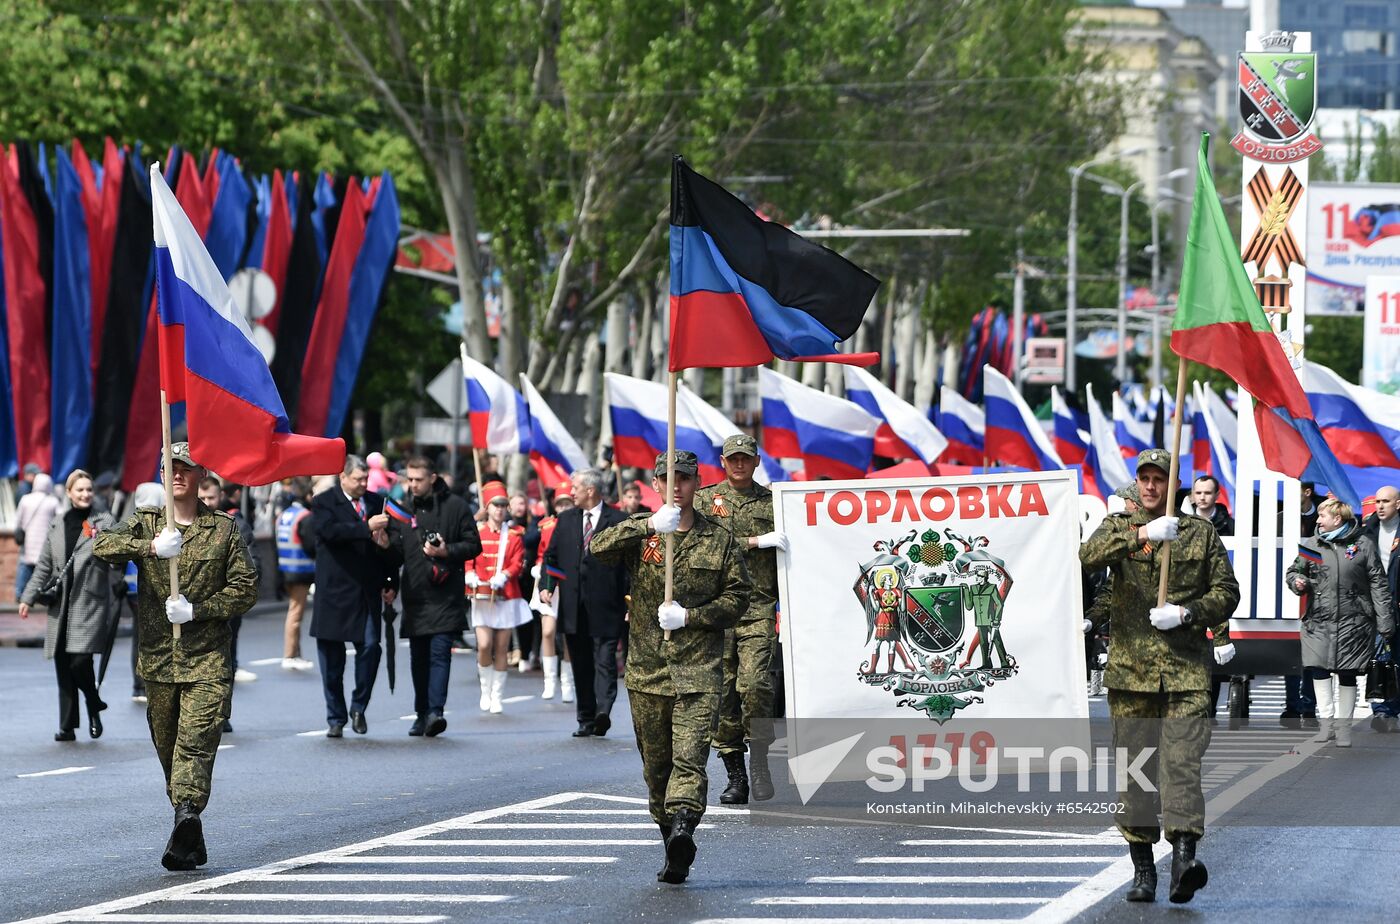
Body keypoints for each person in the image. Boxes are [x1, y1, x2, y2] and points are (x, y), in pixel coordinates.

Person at [1080, 448, 1240, 905]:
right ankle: (1144, 868)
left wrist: (1189, 612)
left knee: (1182, 766)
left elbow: (1227, 591)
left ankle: (1185, 858)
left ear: (1174, 487)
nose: (1151, 486)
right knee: (1137, 775)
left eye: (1159, 480)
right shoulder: (1121, 529)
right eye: (1144, 478)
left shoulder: (1201, 534)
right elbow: (1087, 556)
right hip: (1131, 676)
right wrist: (1143, 534)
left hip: (1186, 674)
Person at [93, 442, 258, 871]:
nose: (178, 474)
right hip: (158, 660)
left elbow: (246, 588)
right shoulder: (147, 522)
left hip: (207, 660)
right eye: (171, 467)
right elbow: (101, 546)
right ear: (162, 475)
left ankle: (186, 813)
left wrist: (198, 611)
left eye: (186, 467)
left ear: (201, 475)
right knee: (168, 749)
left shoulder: (223, 530)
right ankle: (189, 830)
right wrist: (150, 549)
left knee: (195, 746)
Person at [590, 450, 750, 885]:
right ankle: (671, 842)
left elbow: (739, 599)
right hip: (647, 673)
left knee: (689, 759)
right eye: (667, 478)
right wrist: (645, 524)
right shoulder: (644, 531)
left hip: (698, 669)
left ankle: (684, 824)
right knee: (656, 769)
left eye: (684, 478)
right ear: (656, 484)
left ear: (698, 483)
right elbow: (596, 548)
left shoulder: (719, 538)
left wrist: (692, 617)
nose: (676, 485)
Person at [695, 434, 786, 803]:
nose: (739, 464)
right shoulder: (704, 500)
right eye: (732, 458)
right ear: (722, 461)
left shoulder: (775, 503)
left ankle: (760, 762)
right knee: (722, 696)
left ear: (757, 460)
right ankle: (735, 775)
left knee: (756, 685)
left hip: (758, 607)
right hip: (717, 611)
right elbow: (699, 544)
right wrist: (753, 542)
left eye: (745, 458)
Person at [381, 456, 479, 735]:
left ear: (432, 478)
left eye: (418, 479)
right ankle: (421, 712)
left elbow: (474, 545)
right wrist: (388, 569)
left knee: (440, 655)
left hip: (446, 596)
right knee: (418, 658)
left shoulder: (456, 506)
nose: (412, 485)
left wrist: (446, 551)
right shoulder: (403, 510)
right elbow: (396, 556)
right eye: (409, 479)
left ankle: (436, 711)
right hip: (415, 597)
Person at [19, 471, 119, 741]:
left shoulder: (103, 521)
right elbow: (44, 566)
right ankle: (67, 725)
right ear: (69, 493)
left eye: (89, 490)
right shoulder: (58, 522)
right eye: (80, 490)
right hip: (61, 603)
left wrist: (120, 578)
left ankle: (93, 703)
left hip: (90, 601)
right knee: (63, 663)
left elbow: (120, 554)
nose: (86, 494)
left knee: (80, 660)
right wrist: (27, 598)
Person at [1287, 498, 1395, 747]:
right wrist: (1297, 582)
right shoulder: (1313, 544)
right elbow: (1294, 571)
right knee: (1319, 670)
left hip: (1354, 622)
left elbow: (1378, 584)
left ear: (1337, 518)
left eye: (1322, 515)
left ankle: (1344, 728)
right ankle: (1327, 725)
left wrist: (1385, 621)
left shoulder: (1363, 545)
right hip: (1319, 621)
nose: (1317, 520)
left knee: (1348, 673)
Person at [309, 456, 397, 737]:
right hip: (334, 592)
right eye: (357, 479)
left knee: (371, 647)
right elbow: (329, 532)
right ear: (343, 477)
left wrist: (390, 579)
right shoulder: (325, 502)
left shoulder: (375, 502)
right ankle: (336, 717)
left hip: (366, 591)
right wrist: (365, 528)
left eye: (365, 479)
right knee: (332, 662)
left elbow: (390, 548)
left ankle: (359, 706)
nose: (362, 484)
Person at [541, 469, 629, 737]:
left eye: (575, 487)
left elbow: (629, 565)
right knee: (580, 662)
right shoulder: (566, 520)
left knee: (604, 660)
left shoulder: (618, 520)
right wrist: (547, 587)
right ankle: (585, 717)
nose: (571, 492)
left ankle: (603, 711)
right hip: (573, 604)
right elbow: (551, 558)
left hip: (607, 603)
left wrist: (630, 600)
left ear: (590, 490)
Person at [466, 481, 529, 714]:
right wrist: (469, 573)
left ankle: (497, 695)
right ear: (487, 507)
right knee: (484, 645)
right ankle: (485, 689)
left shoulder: (514, 535)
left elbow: (517, 561)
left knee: (501, 647)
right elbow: (467, 556)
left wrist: (506, 574)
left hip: (506, 596)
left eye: (503, 505)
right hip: (481, 595)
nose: (500, 510)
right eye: (495, 505)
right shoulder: (477, 533)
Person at [1361, 485, 1400, 731]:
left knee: (1397, 657)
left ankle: (1394, 705)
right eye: (1377, 501)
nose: (1380, 506)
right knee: (1379, 657)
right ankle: (1383, 710)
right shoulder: (1367, 532)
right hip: (1376, 605)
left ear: (1398, 504)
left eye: (1386, 501)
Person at [275, 478, 316, 671]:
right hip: (301, 570)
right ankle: (290, 654)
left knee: (294, 611)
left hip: (285, 569)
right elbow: (311, 545)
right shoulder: (305, 516)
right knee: (296, 614)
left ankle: (296, 653)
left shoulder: (285, 514)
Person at [14, 472, 60, 602]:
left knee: (25, 565)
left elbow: (18, 521)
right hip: (45, 541)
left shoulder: (25, 499)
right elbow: (61, 520)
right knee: (44, 568)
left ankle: (20, 593)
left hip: (27, 541)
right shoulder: (52, 501)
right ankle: (41, 594)